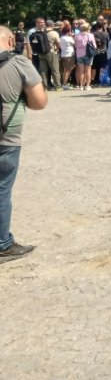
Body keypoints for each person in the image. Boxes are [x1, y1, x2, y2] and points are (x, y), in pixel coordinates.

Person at [0, 25, 48, 264]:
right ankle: (3, 244)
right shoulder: (18, 63)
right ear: (10, 42)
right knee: (2, 189)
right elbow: (40, 102)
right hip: (6, 137)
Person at [38, 20, 61, 91]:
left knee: (43, 71)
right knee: (55, 70)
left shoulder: (41, 32)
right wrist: (58, 49)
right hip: (51, 52)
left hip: (41, 53)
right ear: (52, 25)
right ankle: (58, 86)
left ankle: (44, 86)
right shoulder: (54, 33)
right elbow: (58, 44)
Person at [73, 22, 96, 90]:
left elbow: (75, 45)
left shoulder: (77, 35)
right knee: (88, 70)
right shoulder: (90, 35)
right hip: (88, 54)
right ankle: (88, 85)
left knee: (81, 71)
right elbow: (94, 46)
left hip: (79, 54)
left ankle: (81, 85)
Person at [58, 22, 76, 89]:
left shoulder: (61, 38)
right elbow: (75, 44)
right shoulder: (69, 38)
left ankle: (64, 82)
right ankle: (65, 84)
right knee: (68, 70)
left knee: (64, 69)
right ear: (69, 31)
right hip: (69, 55)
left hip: (63, 54)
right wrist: (72, 37)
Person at [91, 21, 109, 86]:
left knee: (94, 67)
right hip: (104, 51)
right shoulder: (106, 34)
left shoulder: (93, 34)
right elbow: (107, 43)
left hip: (96, 51)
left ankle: (92, 80)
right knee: (102, 67)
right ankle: (101, 79)